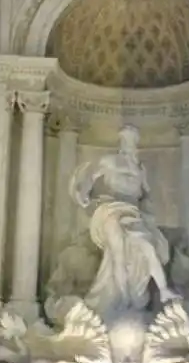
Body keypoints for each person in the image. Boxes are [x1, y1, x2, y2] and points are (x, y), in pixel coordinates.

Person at [69, 125, 178, 320]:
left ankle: (163, 289)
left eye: (134, 141)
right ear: (121, 141)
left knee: (147, 246)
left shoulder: (140, 168)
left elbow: (146, 193)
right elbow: (89, 177)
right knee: (117, 252)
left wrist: (151, 216)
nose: (131, 144)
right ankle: (123, 298)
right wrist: (83, 193)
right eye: (127, 140)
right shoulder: (110, 160)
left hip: (133, 212)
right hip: (110, 209)